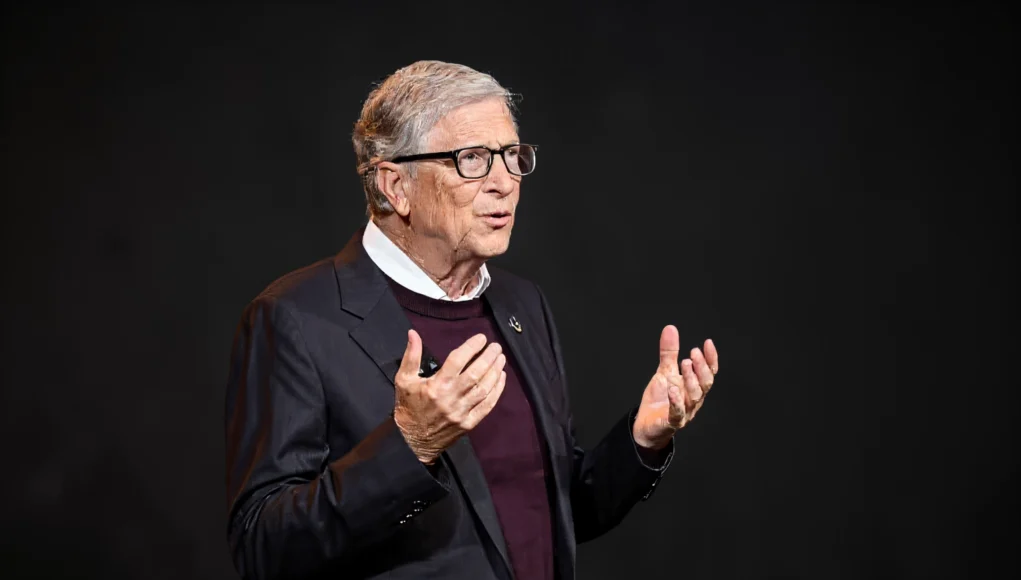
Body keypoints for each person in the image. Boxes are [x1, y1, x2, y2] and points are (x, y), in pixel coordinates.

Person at [224, 60, 719, 580]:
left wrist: (642, 441)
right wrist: (409, 446)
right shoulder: (296, 319)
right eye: (473, 159)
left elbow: (551, 512)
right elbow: (264, 548)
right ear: (396, 185)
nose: (506, 182)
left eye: (512, 156)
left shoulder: (521, 304)